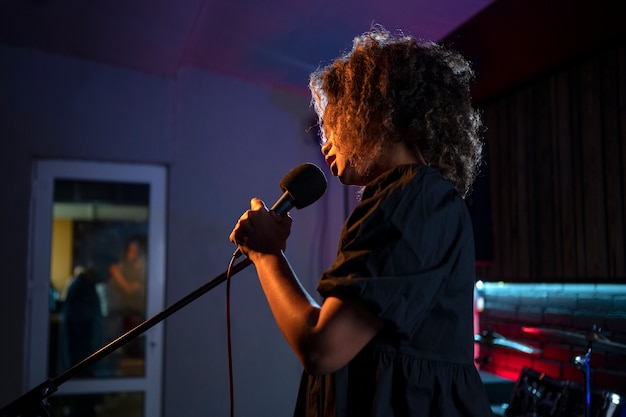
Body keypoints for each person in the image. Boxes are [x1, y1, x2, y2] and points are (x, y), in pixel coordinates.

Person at [230, 25, 494, 417]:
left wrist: (267, 255)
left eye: (333, 122)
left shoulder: (417, 196)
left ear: (373, 112)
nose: (324, 143)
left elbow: (323, 349)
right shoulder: (409, 197)